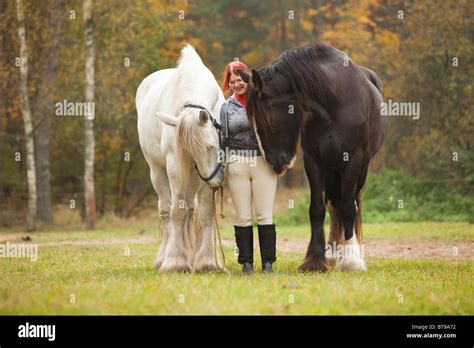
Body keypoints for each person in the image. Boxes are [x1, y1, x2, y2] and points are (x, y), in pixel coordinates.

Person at [219, 61, 278, 274]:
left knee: (264, 215)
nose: (236, 85)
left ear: (247, 79)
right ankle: (246, 264)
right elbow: (223, 139)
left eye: (239, 80)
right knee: (243, 216)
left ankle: (268, 263)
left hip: (262, 162)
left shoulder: (264, 101)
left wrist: (280, 160)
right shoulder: (226, 107)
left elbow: (275, 132)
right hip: (237, 163)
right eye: (231, 82)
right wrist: (221, 167)